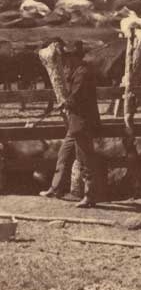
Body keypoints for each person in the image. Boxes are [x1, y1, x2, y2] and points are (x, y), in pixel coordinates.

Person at [40, 39, 100, 208]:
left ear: (75, 57)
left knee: (85, 159)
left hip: (82, 123)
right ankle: (55, 188)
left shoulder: (82, 72)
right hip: (75, 123)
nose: (65, 60)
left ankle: (90, 196)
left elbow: (77, 96)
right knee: (63, 155)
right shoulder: (76, 71)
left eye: (68, 57)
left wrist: (64, 103)